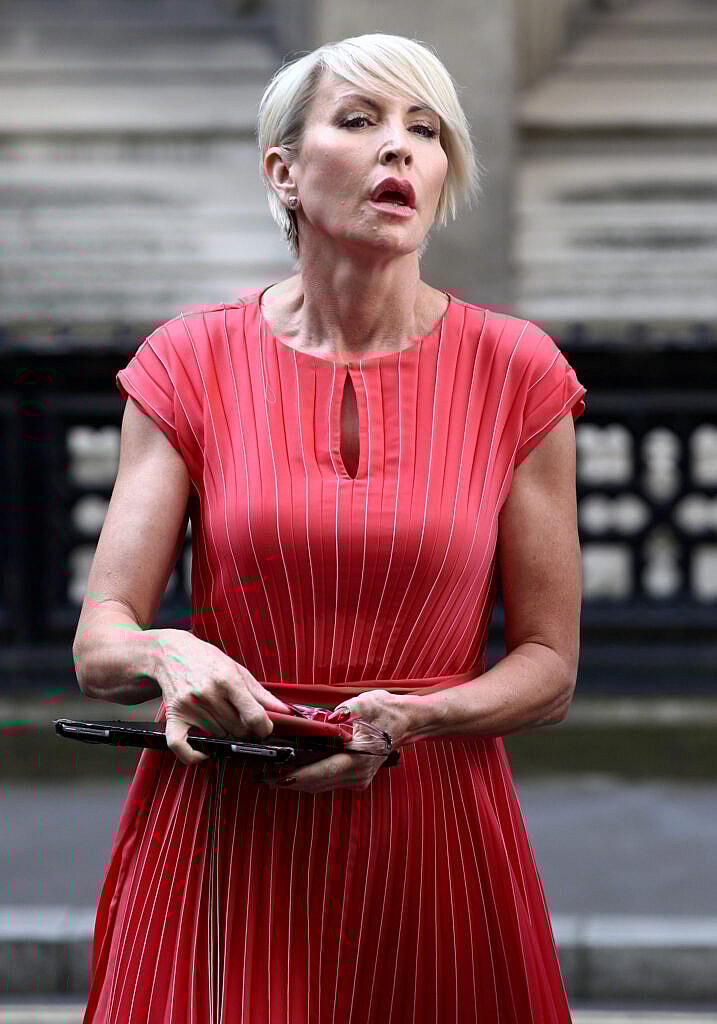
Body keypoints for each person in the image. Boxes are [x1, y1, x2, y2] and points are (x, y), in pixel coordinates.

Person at [75, 32, 585, 1023]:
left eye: (425, 131)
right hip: (225, 828)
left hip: (431, 831)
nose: (400, 149)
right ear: (285, 172)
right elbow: (103, 639)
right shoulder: (189, 362)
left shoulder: (516, 371)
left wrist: (416, 715)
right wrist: (170, 653)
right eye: (361, 122)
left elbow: (549, 664)